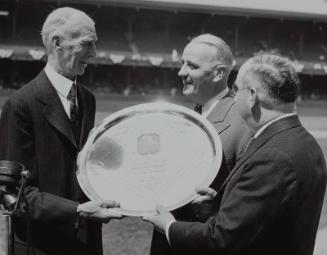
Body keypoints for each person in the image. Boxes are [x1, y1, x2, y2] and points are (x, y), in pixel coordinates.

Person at [144, 54, 327, 255]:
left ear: (252, 96)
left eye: (235, 89)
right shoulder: (304, 142)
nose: (233, 97)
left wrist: (169, 226)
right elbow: (266, 217)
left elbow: (222, 238)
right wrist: (215, 210)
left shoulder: (274, 156)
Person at [0, 7, 121, 255]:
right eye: (87, 44)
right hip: (41, 245)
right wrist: (77, 211)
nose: (95, 53)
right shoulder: (20, 105)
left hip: (87, 243)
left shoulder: (87, 99)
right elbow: (14, 196)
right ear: (58, 43)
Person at [150, 34, 252, 255]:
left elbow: (247, 205)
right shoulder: (185, 118)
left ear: (218, 73)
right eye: (182, 63)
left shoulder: (242, 123)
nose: (181, 72)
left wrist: (211, 208)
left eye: (192, 66)